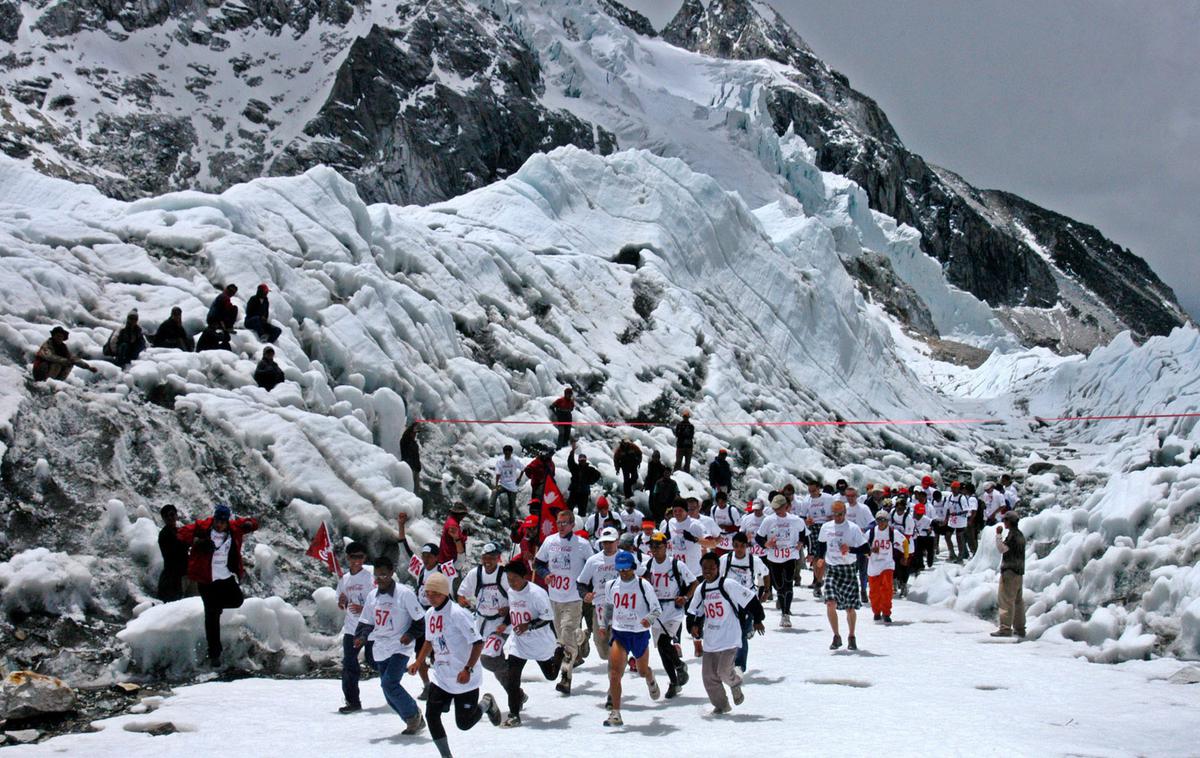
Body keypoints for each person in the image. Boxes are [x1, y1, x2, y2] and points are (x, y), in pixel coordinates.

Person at [407, 573, 502, 758]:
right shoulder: (430, 614)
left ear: (444, 593)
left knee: (464, 724)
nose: (430, 597)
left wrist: (468, 669)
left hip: (465, 677)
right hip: (442, 676)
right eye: (428, 593)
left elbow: (478, 643)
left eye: (435, 593)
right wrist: (418, 662)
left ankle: (487, 703)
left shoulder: (458, 614)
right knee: (432, 715)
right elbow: (429, 640)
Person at [176, 504, 259, 666]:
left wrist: (250, 525)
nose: (220, 525)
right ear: (214, 518)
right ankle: (215, 655)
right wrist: (198, 542)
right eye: (217, 521)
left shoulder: (233, 528)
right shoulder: (203, 527)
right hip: (206, 578)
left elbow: (253, 523)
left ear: (227, 521)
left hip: (225, 576)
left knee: (237, 600)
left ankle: (216, 606)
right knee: (211, 618)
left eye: (223, 522)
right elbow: (181, 533)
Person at [354, 555, 426, 734]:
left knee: (389, 684)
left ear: (392, 573)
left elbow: (420, 621)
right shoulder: (373, 596)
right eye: (377, 576)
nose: (380, 580)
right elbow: (366, 622)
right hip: (381, 646)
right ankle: (412, 718)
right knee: (386, 689)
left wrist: (409, 635)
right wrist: (362, 638)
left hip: (400, 646)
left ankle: (413, 716)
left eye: (384, 575)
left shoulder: (405, 594)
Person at [687, 552, 765, 715]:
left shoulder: (728, 584)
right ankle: (721, 705)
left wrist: (758, 619)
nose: (708, 571)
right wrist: (694, 625)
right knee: (708, 677)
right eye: (704, 568)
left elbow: (750, 600)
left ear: (718, 568)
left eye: (711, 568)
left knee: (723, 671)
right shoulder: (701, 589)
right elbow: (695, 610)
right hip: (711, 638)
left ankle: (735, 683)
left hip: (730, 637)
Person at [494, 561, 564, 727]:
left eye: (515, 579)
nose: (512, 583)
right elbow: (515, 611)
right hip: (519, 644)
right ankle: (514, 715)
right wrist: (506, 620)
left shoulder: (537, 593)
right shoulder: (511, 591)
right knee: (513, 679)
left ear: (524, 577)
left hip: (540, 643)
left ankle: (560, 654)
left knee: (551, 675)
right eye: (509, 579)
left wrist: (528, 625)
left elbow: (547, 618)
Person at [597, 550, 662, 726]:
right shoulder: (611, 585)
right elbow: (609, 607)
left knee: (641, 671)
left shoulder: (643, 585)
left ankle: (650, 677)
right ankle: (615, 713)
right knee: (614, 673)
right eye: (620, 569)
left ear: (633, 568)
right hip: (619, 633)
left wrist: (648, 619)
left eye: (627, 569)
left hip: (639, 633)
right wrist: (603, 625)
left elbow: (656, 608)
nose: (624, 572)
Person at [533, 509, 594, 695]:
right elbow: (539, 563)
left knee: (566, 639)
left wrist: (588, 591)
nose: (561, 526)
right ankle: (581, 638)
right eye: (558, 523)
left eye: (565, 523)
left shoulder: (582, 545)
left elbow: (592, 567)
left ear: (572, 524)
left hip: (574, 599)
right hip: (554, 598)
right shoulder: (550, 541)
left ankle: (565, 678)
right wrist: (546, 575)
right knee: (562, 638)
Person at [641, 533, 697, 698]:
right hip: (656, 609)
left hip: (673, 608)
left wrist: (685, 597)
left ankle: (679, 666)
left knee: (665, 641)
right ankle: (674, 682)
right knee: (661, 648)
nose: (655, 549)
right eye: (652, 546)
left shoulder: (676, 565)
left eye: (658, 546)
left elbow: (694, 583)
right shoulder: (648, 565)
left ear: (666, 546)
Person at [456, 544, 511, 694]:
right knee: (493, 660)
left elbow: (516, 597)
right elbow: (461, 593)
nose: (488, 562)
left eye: (492, 558)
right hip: (481, 622)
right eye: (485, 558)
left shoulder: (504, 575)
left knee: (488, 658)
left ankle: (513, 669)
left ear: (498, 558)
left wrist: (507, 610)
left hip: (501, 623)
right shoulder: (476, 573)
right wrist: (463, 601)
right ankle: (514, 692)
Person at [815, 501, 868, 650]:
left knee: (850, 607)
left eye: (840, 514)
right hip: (832, 568)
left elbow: (865, 547)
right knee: (830, 603)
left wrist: (850, 549)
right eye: (835, 514)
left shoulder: (853, 528)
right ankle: (836, 636)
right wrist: (819, 557)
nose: (837, 517)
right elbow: (821, 544)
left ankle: (851, 636)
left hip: (848, 568)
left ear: (845, 513)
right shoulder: (826, 527)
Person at [718, 532, 768, 672]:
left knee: (740, 635)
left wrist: (766, 591)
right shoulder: (725, 559)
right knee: (729, 633)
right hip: (729, 601)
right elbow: (718, 577)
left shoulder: (754, 561)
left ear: (746, 546)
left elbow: (765, 574)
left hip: (747, 601)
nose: (738, 549)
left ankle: (739, 666)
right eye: (736, 546)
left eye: (741, 546)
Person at [755, 494, 807, 627]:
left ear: (786, 507)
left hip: (790, 555)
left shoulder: (795, 520)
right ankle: (781, 601)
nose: (777, 511)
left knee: (788, 584)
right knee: (779, 586)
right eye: (775, 508)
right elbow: (759, 538)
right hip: (774, 557)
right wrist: (766, 544)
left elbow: (804, 533)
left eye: (779, 508)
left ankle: (785, 613)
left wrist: (801, 542)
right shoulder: (768, 520)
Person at [336, 542, 376, 713]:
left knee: (373, 660)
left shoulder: (370, 578)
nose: (357, 561)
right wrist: (342, 602)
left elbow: (379, 601)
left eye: (360, 557)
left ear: (364, 558)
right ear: (348, 558)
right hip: (352, 628)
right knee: (349, 664)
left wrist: (363, 609)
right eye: (353, 557)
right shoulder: (344, 579)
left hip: (369, 627)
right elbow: (341, 599)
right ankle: (352, 701)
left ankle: (392, 675)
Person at [578, 527, 621, 665]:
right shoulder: (593, 560)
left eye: (610, 542)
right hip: (600, 605)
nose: (607, 545)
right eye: (604, 542)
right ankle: (587, 638)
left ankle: (618, 663)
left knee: (619, 640)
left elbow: (640, 576)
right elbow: (581, 582)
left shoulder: (625, 557)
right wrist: (585, 595)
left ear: (617, 541)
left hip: (621, 605)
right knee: (602, 650)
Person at [992, 511, 1027, 638]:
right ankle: (1020, 628)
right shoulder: (1021, 535)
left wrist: (998, 535)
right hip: (1019, 572)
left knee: (1005, 601)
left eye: (1005, 520)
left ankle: (1005, 629)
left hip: (1009, 572)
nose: (1004, 522)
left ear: (1009, 522)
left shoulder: (1012, 536)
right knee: (1018, 602)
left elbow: (1001, 549)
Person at [800, 481, 835, 598]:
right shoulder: (806, 501)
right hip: (813, 527)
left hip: (827, 526)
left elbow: (838, 511)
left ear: (819, 489)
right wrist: (806, 521)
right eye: (810, 491)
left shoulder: (829, 498)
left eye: (814, 491)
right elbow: (802, 518)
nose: (812, 494)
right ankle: (818, 581)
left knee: (825, 555)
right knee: (815, 556)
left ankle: (821, 581)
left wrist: (833, 517)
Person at [32, 326, 97, 382]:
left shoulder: (63, 348)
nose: (59, 338)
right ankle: (47, 382)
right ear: (53, 336)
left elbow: (73, 359)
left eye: (61, 336)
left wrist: (88, 367)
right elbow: (48, 356)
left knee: (69, 364)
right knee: (57, 364)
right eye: (57, 336)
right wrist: (63, 360)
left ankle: (58, 381)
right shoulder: (47, 344)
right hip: (40, 370)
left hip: (53, 370)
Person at [865, 511, 896, 623]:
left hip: (887, 564)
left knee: (887, 589)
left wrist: (906, 556)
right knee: (874, 591)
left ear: (887, 521)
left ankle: (886, 612)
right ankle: (877, 612)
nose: (881, 522)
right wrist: (870, 550)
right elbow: (863, 547)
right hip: (873, 565)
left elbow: (905, 543)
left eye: (884, 520)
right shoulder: (871, 532)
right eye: (879, 520)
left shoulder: (893, 532)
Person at [663, 500, 707, 575]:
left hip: (694, 573)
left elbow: (711, 544)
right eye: (675, 511)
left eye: (680, 510)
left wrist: (694, 539)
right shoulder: (671, 522)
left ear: (686, 511)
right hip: (678, 571)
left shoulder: (695, 524)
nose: (677, 513)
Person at [844, 488, 873, 599]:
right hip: (848, 542)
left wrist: (864, 529)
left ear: (856, 496)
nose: (850, 498)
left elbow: (872, 522)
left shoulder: (864, 508)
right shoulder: (844, 508)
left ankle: (863, 590)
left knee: (862, 569)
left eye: (852, 496)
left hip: (861, 542)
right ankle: (850, 590)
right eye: (848, 496)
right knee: (849, 568)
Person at [156, 505, 188, 601]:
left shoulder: (177, 531)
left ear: (176, 515)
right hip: (171, 580)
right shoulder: (165, 534)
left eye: (172, 514)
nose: (170, 517)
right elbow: (177, 552)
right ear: (163, 519)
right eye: (166, 516)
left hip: (178, 576)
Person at [889, 496, 916, 597]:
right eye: (898, 507)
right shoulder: (892, 514)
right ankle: (894, 583)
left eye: (902, 508)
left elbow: (908, 536)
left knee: (905, 566)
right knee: (893, 564)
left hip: (906, 545)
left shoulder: (908, 519)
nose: (899, 510)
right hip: (895, 545)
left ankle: (904, 585)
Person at [490, 446, 523, 520]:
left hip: (512, 486)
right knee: (494, 492)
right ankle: (491, 512)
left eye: (509, 451)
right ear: (504, 452)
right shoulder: (500, 461)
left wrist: (519, 479)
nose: (507, 453)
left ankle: (512, 519)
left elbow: (523, 468)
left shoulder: (515, 460)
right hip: (503, 484)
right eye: (506, 451)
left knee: (512, 504)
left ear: (511, 452)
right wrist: (496, 485)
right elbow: (498, 473)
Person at [566, 443, 600, 513]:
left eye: (583, 460)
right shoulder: (575, 468)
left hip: (584, 493)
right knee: (568, 509)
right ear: (578, 460)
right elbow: (570, 462)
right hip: (574, 492)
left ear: (586, 460)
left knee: (582, 511)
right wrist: (572, 451)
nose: (582, 461)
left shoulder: (590, 469)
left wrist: (591, 481)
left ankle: (581, 522)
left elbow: (598, 475)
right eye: (581, 460)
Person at [945, 481, 972, 562]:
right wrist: (946, 518)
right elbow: (947, 508)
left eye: (955, 488)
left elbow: (966, 510)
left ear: (958, 489)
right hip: (952, 521)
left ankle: (960, 556)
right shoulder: (950, 497)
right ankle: (952, 553)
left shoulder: (962, 498)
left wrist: (956, 513)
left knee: (959, 538)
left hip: (960, 521)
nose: (953, 490)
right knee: (947, 536)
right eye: (952, 488)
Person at [913, 502, 936, 571]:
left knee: (930, 551)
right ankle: (921, 565)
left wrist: (931, 528)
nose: (919, 515)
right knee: (918, 551)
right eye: (918, 513)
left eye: (921, 513)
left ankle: (930, 561)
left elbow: (934, 523)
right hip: (919, 537)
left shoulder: (926, 519)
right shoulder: (911, 518)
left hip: (929, 537)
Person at [400, 422, 421, 490]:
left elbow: (416, 456)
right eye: (413, 433)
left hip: (415, 469)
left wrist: (418, 466)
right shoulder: (405, 441)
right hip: (409, 468)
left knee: (415, 489)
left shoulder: (413, 443)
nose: (415, 435)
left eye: (415, 433)